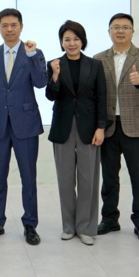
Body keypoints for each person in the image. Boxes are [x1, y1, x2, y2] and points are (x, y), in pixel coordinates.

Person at [0, 8, 47, 246]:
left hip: (26, 124)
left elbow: (41, 82)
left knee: (28, 177)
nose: (9, 29)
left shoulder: (33, 53)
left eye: (13, 25)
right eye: (4, 25)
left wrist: (32, 56)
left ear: (21, 27)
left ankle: (30, 224)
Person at [93, 13, 139, 243]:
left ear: (132, 31)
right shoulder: (98, 59)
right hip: (108, 127)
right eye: (116, 27)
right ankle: (109, 219)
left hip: (136, 128)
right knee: (109, 178)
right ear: (109, 31)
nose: (120, 31)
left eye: (125, 27)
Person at [46, 20, 107, 246]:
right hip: (62, 127)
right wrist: (54, 76)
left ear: (83, 41)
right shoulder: (54, 64)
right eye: (67, 39)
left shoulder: (95, 65)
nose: (71, 43)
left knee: (88, 179)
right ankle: (68, 226)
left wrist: (101, 127)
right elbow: (50, 96)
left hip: (89, 128)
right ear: (61, 42)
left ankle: (86, 227)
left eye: (76, 39)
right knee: (65, 179)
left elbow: (102, 97)